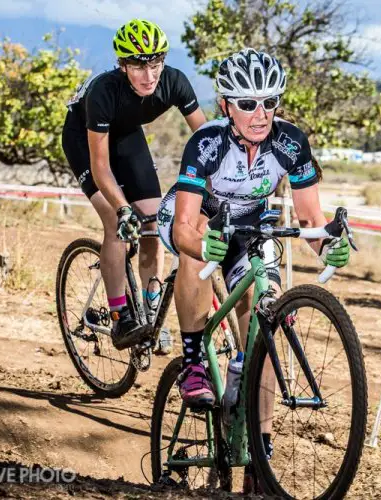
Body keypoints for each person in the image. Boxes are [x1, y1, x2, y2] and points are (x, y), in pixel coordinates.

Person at [157, 47, 351, 405]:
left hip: (249, 225)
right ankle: (193, 361)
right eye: (247, 103)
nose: (260, 115)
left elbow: (311, 220)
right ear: (226, 104)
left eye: (270, 102)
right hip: (200, 214)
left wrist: (328, 245)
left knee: (264, 318)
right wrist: (200, 247)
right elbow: (184, 225)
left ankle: (258, 445)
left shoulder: (290, 143)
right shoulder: (207, 143)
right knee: (196, 254)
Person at [62, 19, 206, 352]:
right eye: (139, 67)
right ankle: (120, 318)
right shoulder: (104, 91)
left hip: (126, 136)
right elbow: (100, 167)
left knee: (155, 222)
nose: (149, 75)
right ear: (123, 66)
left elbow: (206, 140)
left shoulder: (175, 83)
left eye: (155, 65)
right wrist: (124, 207)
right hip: (85, 140)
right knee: (117, 221)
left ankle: (150, 309)